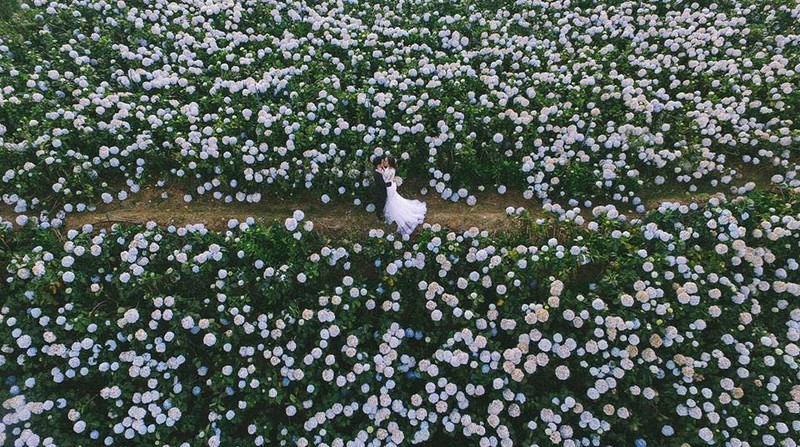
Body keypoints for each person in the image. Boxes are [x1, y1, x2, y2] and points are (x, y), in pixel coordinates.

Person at [380, 156, 427, 235]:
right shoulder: (388, 169)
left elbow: (387, 179)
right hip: (390, 185)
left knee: (391, 201)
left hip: (389, 186)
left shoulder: (391, 170)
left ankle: (393, 214)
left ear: (390, 162)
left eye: (386, 161)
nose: (385, 162)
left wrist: (381, 173)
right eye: (385, 161)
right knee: (394, 200)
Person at [372, 155, 391, 221]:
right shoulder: (376, 173)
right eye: (382, 162)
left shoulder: (381, 169)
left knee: (384, 201)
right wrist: (390, 183)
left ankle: (382, 212)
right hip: (380, 190)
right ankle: (379, 215)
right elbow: (382, 184)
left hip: (384, 189)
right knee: (381, 202)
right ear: (378, 165)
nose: (383, 163)